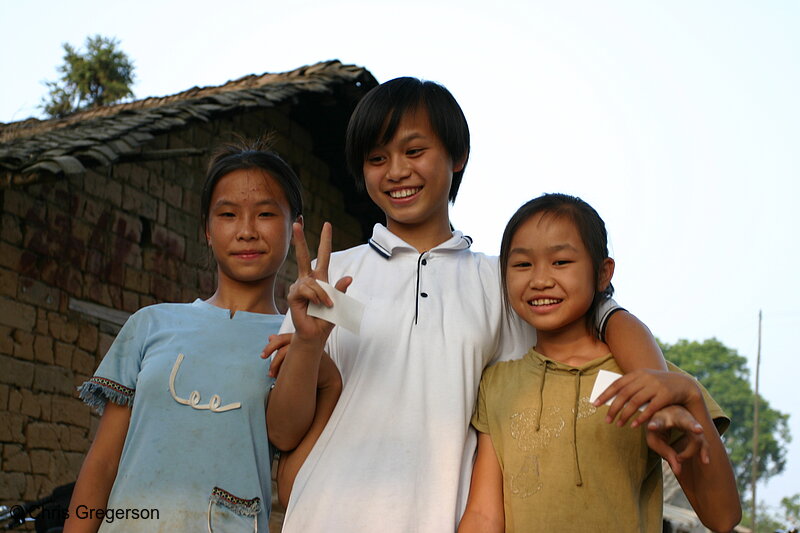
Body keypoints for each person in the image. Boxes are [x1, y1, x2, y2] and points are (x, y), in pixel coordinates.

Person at [265, 77, 671, 532]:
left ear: (458, 156)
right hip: (325, 517)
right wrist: (305, 344)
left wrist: (657, 380)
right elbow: (282, 432)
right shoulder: (331, 278)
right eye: (377, 158)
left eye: (414, 151)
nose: (396, 171)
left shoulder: (502, 282)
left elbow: (597, 320)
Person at [63, 139, 340, 532]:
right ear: (207, 231)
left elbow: (287, 455)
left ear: (293, 227)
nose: (246, 231)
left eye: (265, 214)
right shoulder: (152, 325)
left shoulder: (293, 343)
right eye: (227, 214)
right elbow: (103, 463)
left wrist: (309, 347)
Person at [458, 194, 741, 533]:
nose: (540, 279)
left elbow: (723, 517)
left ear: (603, 273)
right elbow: (484, 516)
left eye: (560, 262)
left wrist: (691, 397)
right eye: (522, 265)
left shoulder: (648, 379)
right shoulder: (496, 383)